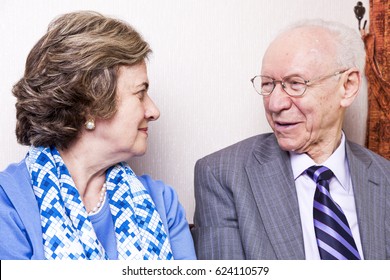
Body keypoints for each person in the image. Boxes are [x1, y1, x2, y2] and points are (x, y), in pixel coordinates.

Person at [0, 11, 196, 260]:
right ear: (90, 106)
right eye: (140, 93)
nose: (154, 111)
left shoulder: (161, 202)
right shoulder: (8, 203)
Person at [192, 19, 390, 260]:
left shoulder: (384, 178)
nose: (275, 104)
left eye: (295, 84)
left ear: (347, 86)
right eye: (267, 84)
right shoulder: (223, 175)